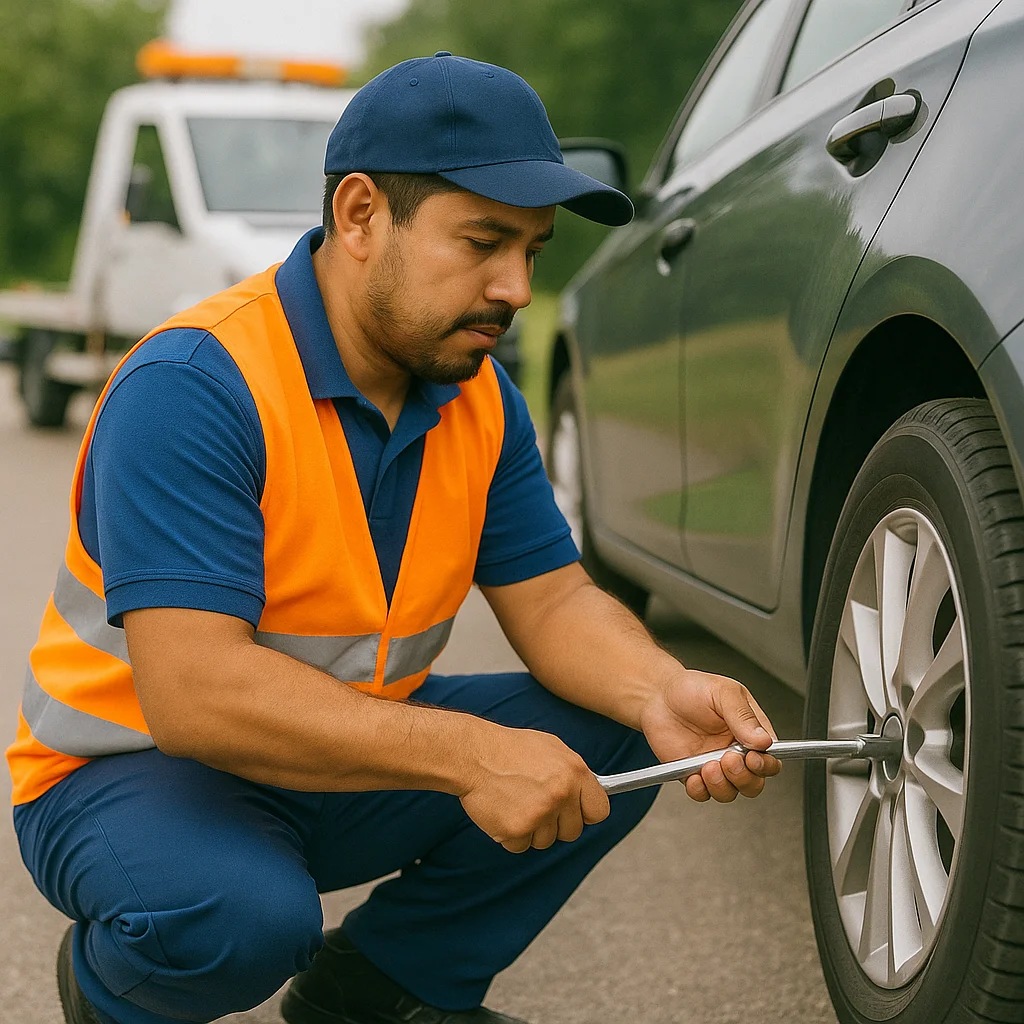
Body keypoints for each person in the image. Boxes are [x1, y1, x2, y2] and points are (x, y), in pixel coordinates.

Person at [8, 52, 781, 1024]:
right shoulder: (198, 382)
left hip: (336, 750)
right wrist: (467, 755)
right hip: (128, 771)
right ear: (361, 215)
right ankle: (108, 988)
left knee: (626, 733)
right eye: (484, 241)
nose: (516, 288)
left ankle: (378, 992)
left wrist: (666, 688)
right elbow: (195, 695)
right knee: (239, 918)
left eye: (533, 252)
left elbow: (551, 599)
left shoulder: (479, 397)